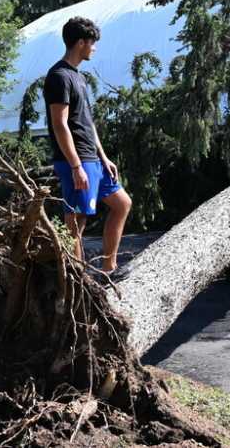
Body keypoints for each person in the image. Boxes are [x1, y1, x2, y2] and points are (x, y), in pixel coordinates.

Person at [44, 16, 133, 281]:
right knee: (76, 223)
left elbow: (87, 122)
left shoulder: (78, 77)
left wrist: (103, 157)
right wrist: (75, 166)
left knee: (122, 204)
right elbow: (60, 125)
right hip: (75, 161)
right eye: (92, 43)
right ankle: (78, 280)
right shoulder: (59, 76)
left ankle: (109, 268)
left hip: (92, 159)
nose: (94, 48)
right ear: (81, 42)